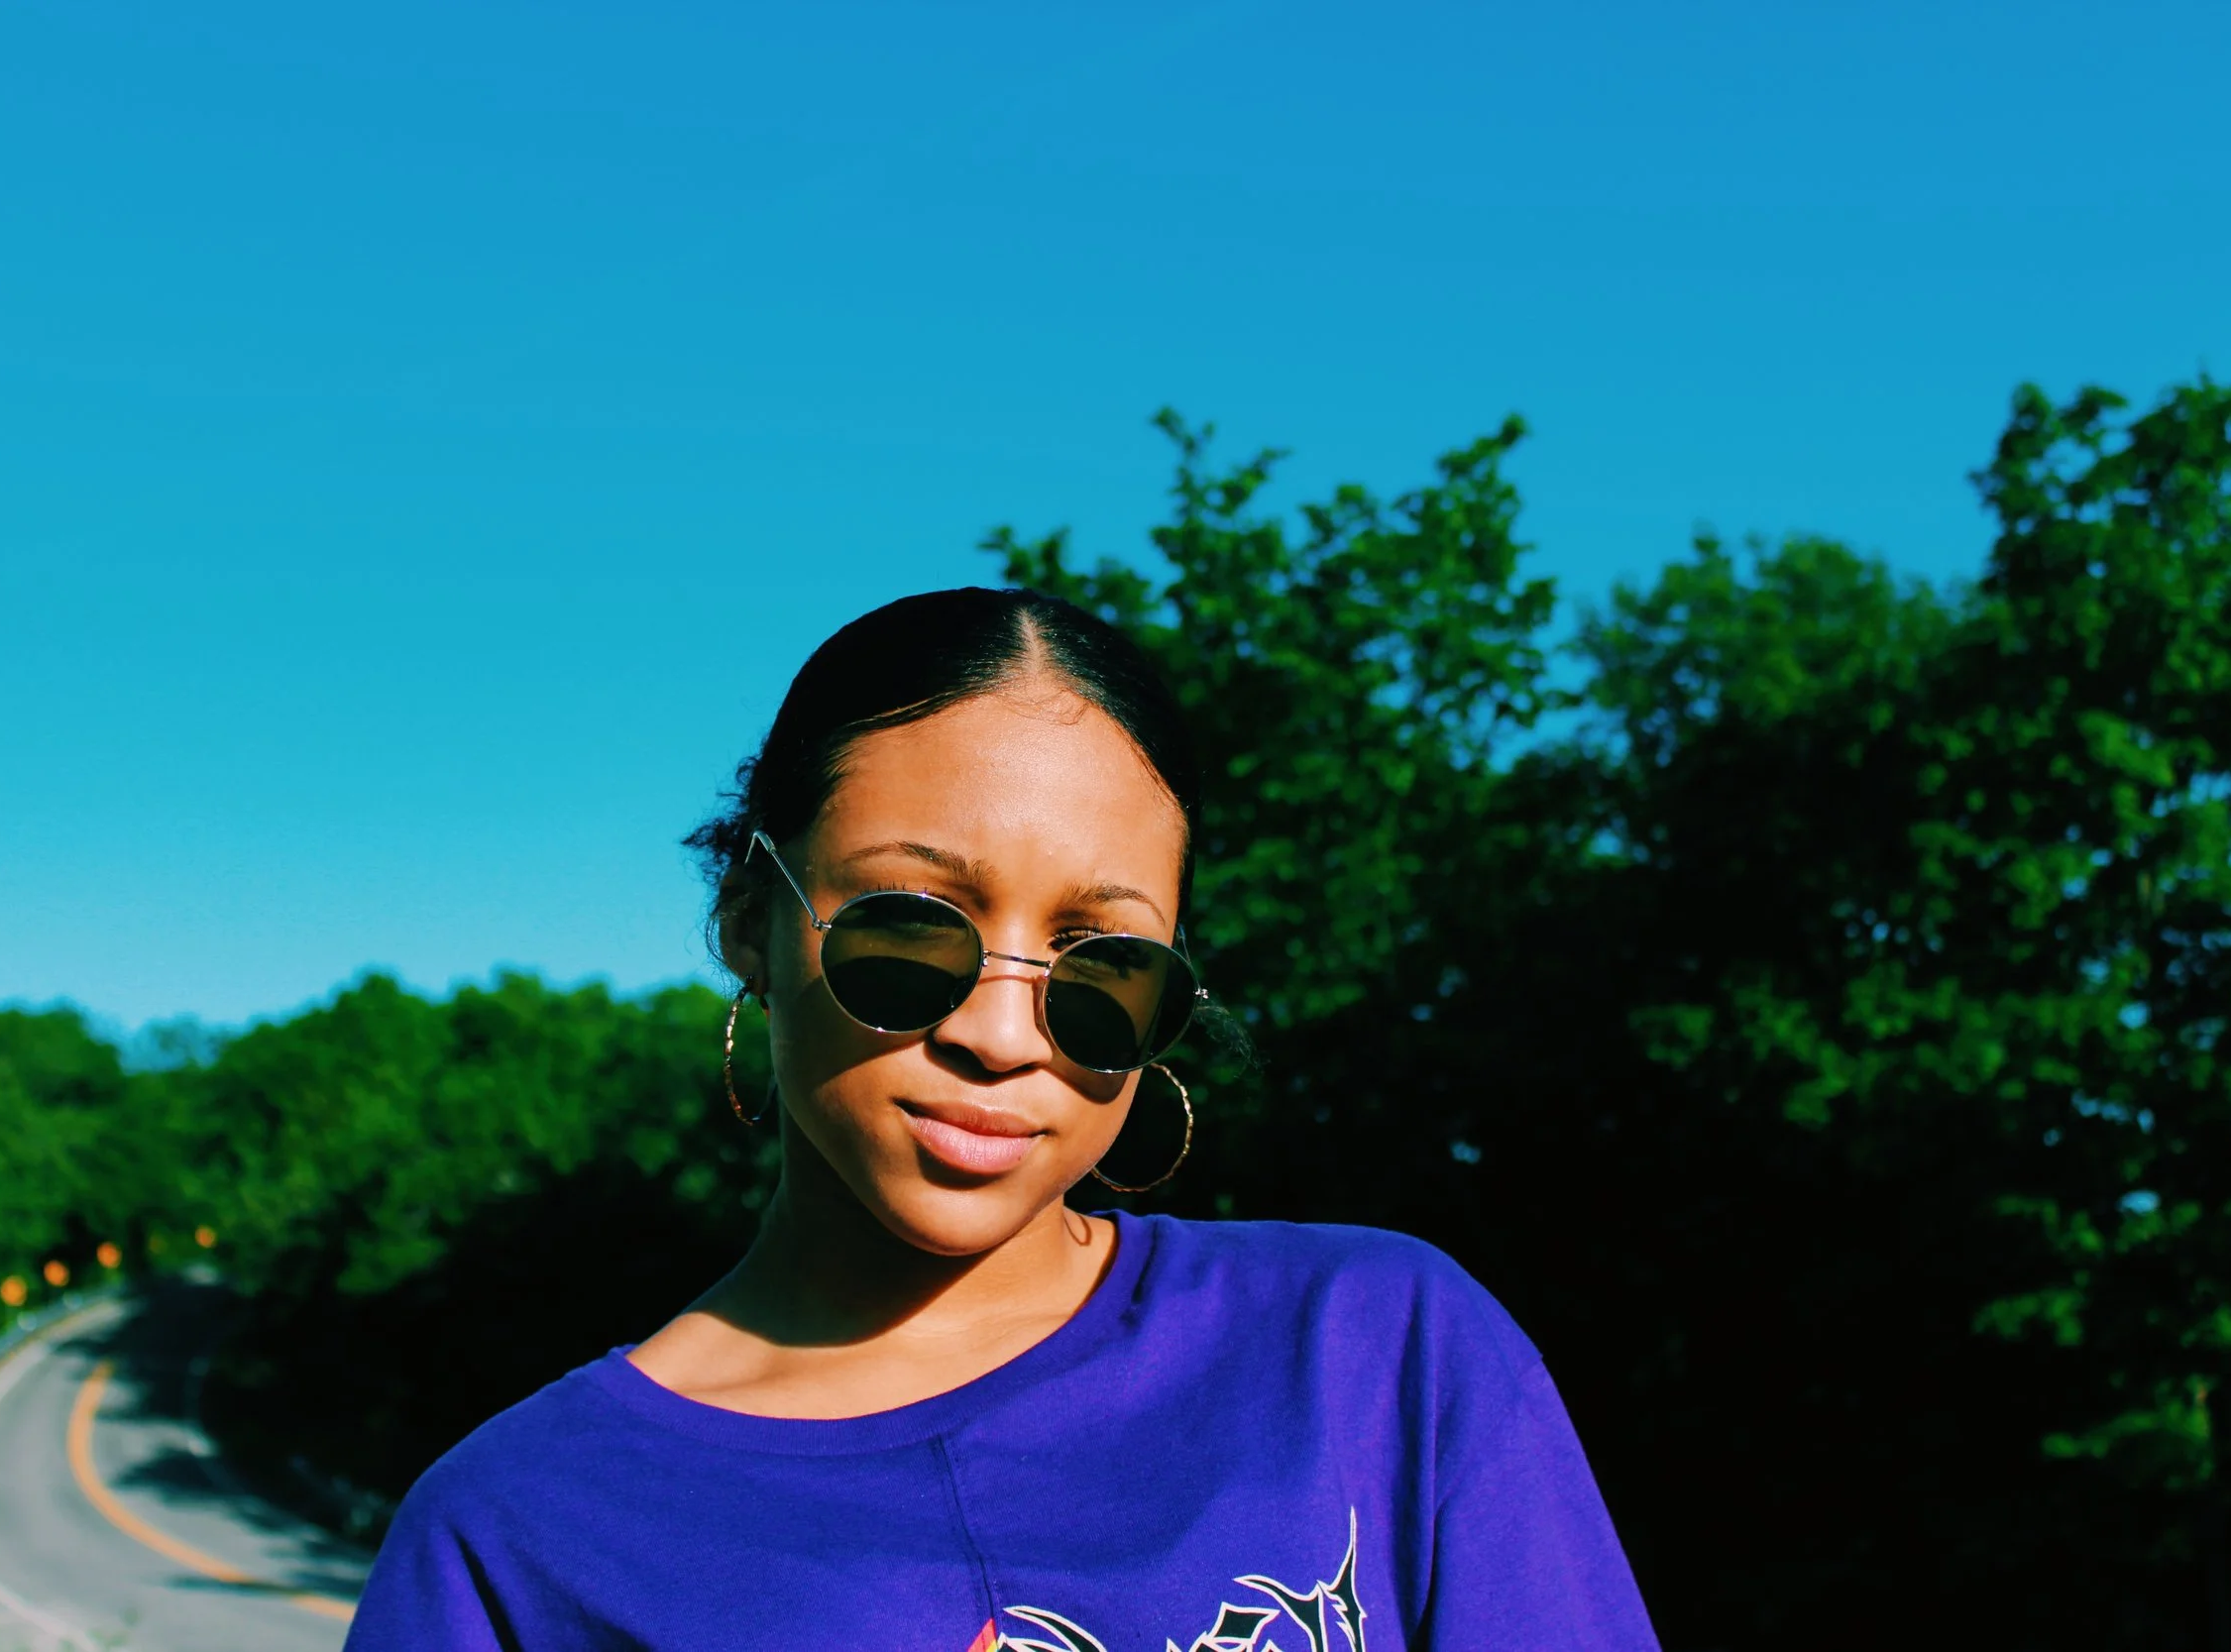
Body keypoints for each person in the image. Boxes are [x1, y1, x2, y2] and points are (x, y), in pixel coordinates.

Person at [346, 588, 1657, 1651]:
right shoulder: (515, 1538)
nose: (1001, 1029)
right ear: (754, 919)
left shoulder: (1379, 1350)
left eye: (1100, 965)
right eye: (912, 930)